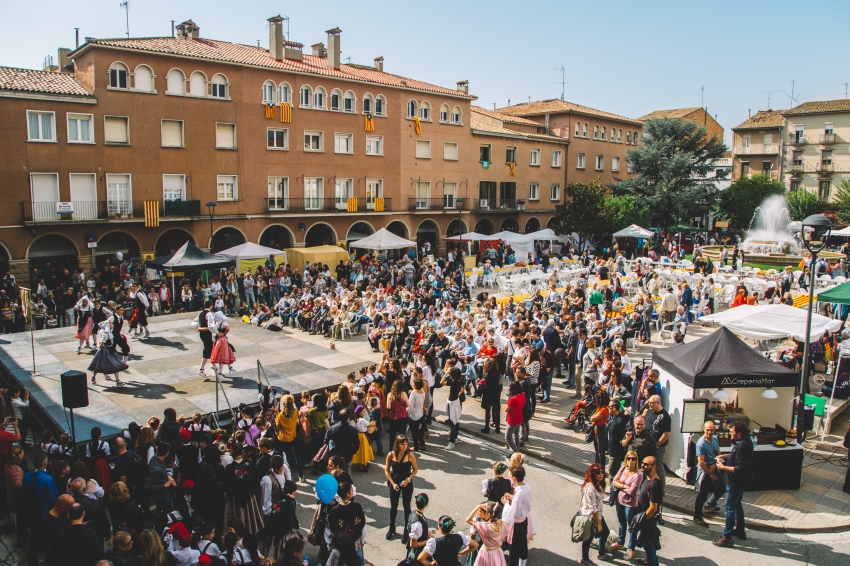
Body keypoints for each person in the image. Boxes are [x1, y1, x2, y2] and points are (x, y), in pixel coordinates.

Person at [713, 421, 753, 548]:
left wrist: (723, 467)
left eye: (732, 432)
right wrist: (726, 456)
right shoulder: (745, 442)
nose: (730, 434)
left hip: (735, 482)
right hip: (739, 482)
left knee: (729, 507)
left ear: (739, 434)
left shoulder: (742, 445)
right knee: (737, 504)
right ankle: (740, 530)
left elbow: (741, 467)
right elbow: (738, 455)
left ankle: (727, 537)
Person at [384, 434, 418, 540]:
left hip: (406, 483)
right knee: (393, 507)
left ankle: (406, 530)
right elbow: (387, 470)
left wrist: (408, 480)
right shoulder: (391, 455)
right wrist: (393, 483)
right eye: (402, 444)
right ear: (397, 444)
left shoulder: (410, 455)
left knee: (406, 507)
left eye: (406, 444)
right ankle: (391, 527)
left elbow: (415, 470)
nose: (405, 446)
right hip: (395, 482)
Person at [611, 450, 643, 560]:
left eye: (633, 459)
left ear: (636, 460)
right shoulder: (623, 468)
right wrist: (624, 486)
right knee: (621, 522)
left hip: (630, 504)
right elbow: (614, 481)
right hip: (619, 501)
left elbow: (632, 491)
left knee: (631, 527)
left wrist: (620, 486)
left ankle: (631, 548)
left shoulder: (638, 474)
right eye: (629, 458)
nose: (630, 461)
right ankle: (620, 543)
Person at [693, 420, 725, 527]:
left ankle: (710, 505)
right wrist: (710, 474)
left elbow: (718, 454)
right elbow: (701, 462)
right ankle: (697, 517)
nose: (709, 432)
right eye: (707, 430)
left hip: (714, 467)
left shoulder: (715, 439)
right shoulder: (701, 443)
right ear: (704, 429)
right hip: (705, 471)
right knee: (702, 494)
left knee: (722, 487)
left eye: (711, 430)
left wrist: (716, 465)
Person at [578, 463, 611, 565]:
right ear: (593, 474)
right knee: (588, 539)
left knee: (605, 532)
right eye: (598, 473)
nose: (601, 475)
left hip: (598, 516)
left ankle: (601, 552)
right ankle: (585, 559)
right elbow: (593, 508)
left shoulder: (598, 484)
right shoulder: (590, 488)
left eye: (602, 472)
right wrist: (599, 523)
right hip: (592, 517)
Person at [635, 456, 663, 566]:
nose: (642, 465)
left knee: (649, 544)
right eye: (642, 463)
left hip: (648, 520)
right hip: (645, 518)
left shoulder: (655, 484)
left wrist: (641, 520)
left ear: (654, 466)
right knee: (648, 544)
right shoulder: (647, 478)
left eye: (646, 464)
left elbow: (653, 508)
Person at [501, 465, 532, 566]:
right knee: (523, 544)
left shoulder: (518, 494)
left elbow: (513, 512)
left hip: (517, 525)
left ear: (514, 477)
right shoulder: (526, 487)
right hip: (524, 520)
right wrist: (512, 498)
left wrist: (506, 503)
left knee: (513, 550)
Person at [465, 501, 507, 566]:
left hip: (486, 553)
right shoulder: (504, 523)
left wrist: (478, 506)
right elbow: (504, 539)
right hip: (497, 551)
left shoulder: (484, 526)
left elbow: (468, 520)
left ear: (488, 514)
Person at [442, 367, 465, 450]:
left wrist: (446, 373)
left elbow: (441, 382)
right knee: (456, 421)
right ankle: (455, 437)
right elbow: (463, 387)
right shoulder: (460, 380)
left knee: (452, 423)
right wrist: (459, 394)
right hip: (456, 402)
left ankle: (451, 442)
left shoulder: (453, 382)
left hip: (452, 404)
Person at [210, 311, 236, 381]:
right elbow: (228, 329)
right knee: (223, 356)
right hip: (223, 340)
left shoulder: (217, 323)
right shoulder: (224, 323)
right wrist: (224, 333)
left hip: (218, 339)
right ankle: (220, 374)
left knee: (227, 352)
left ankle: (230, 368)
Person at [480, 358, 503, 435]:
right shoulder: (497, 373)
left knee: (487, 411)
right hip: (496, 394)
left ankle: (487, 427)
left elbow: (487, 387)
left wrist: (482, 385)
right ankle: (498, 427)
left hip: (488, 395)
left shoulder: (487, 375)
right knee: (496, 411)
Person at [504, 382, 525, 453]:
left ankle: (516, 452)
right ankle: (516, 450)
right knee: (516, 435)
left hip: (512, 420)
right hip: (519, 418)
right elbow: (524, 403)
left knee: (508, 437)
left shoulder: (512, 399)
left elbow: (506, 409)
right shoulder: (522, 395)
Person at [197, 300, 216, 377]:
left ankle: (213, 363)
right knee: (207, 350)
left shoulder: (201, 313)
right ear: (211, 306)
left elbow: (198, 324)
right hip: (207, 334)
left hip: (202, 334)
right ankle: (201, 369)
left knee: (210, 348)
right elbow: (210, 326)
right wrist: (216, 332)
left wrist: (200, 328)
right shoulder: (209, 314)